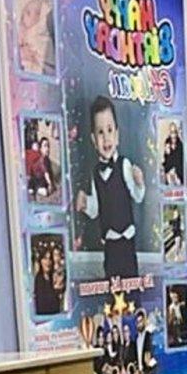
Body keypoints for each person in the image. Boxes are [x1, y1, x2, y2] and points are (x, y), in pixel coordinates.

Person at [76, 96, 145, 280]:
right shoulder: (95, 173)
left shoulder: (125, 165)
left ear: (117, 135)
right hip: (110, 242)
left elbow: (137, 196)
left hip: (127, 238)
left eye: (109, 130)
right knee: (112, 281)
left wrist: (139, 183)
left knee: (131, 281)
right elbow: (95, 210)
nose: (106, 138)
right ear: (93, 139)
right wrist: (85, 204)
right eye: (100, 132)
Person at [17, 0, 54, 76]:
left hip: (41, 61)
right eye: (27, 12)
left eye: (37, 12)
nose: (26, 17)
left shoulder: (42, 26)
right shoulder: (22, 30)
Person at [129, 308, 158, 374]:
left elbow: (154, 358)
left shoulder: (149, 336)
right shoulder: (136, 339)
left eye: (141, 321)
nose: (139, 324)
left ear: (144, 321)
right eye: (137, 322)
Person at [33, 245, 60, 316]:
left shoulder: (53, 278)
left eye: (50, 259)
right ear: (40, 261)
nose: (48, 262)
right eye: (45, 258)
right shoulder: (38, 280)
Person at [162, 122, 185, 187]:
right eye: (172, 132)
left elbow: (180, 160)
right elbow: (166, 158)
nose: (173, 135)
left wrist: (175, 172)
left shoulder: (180, 144)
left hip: (178, 170)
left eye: (175, 132)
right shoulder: (167, 142)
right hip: (169, 167)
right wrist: (167, 151)